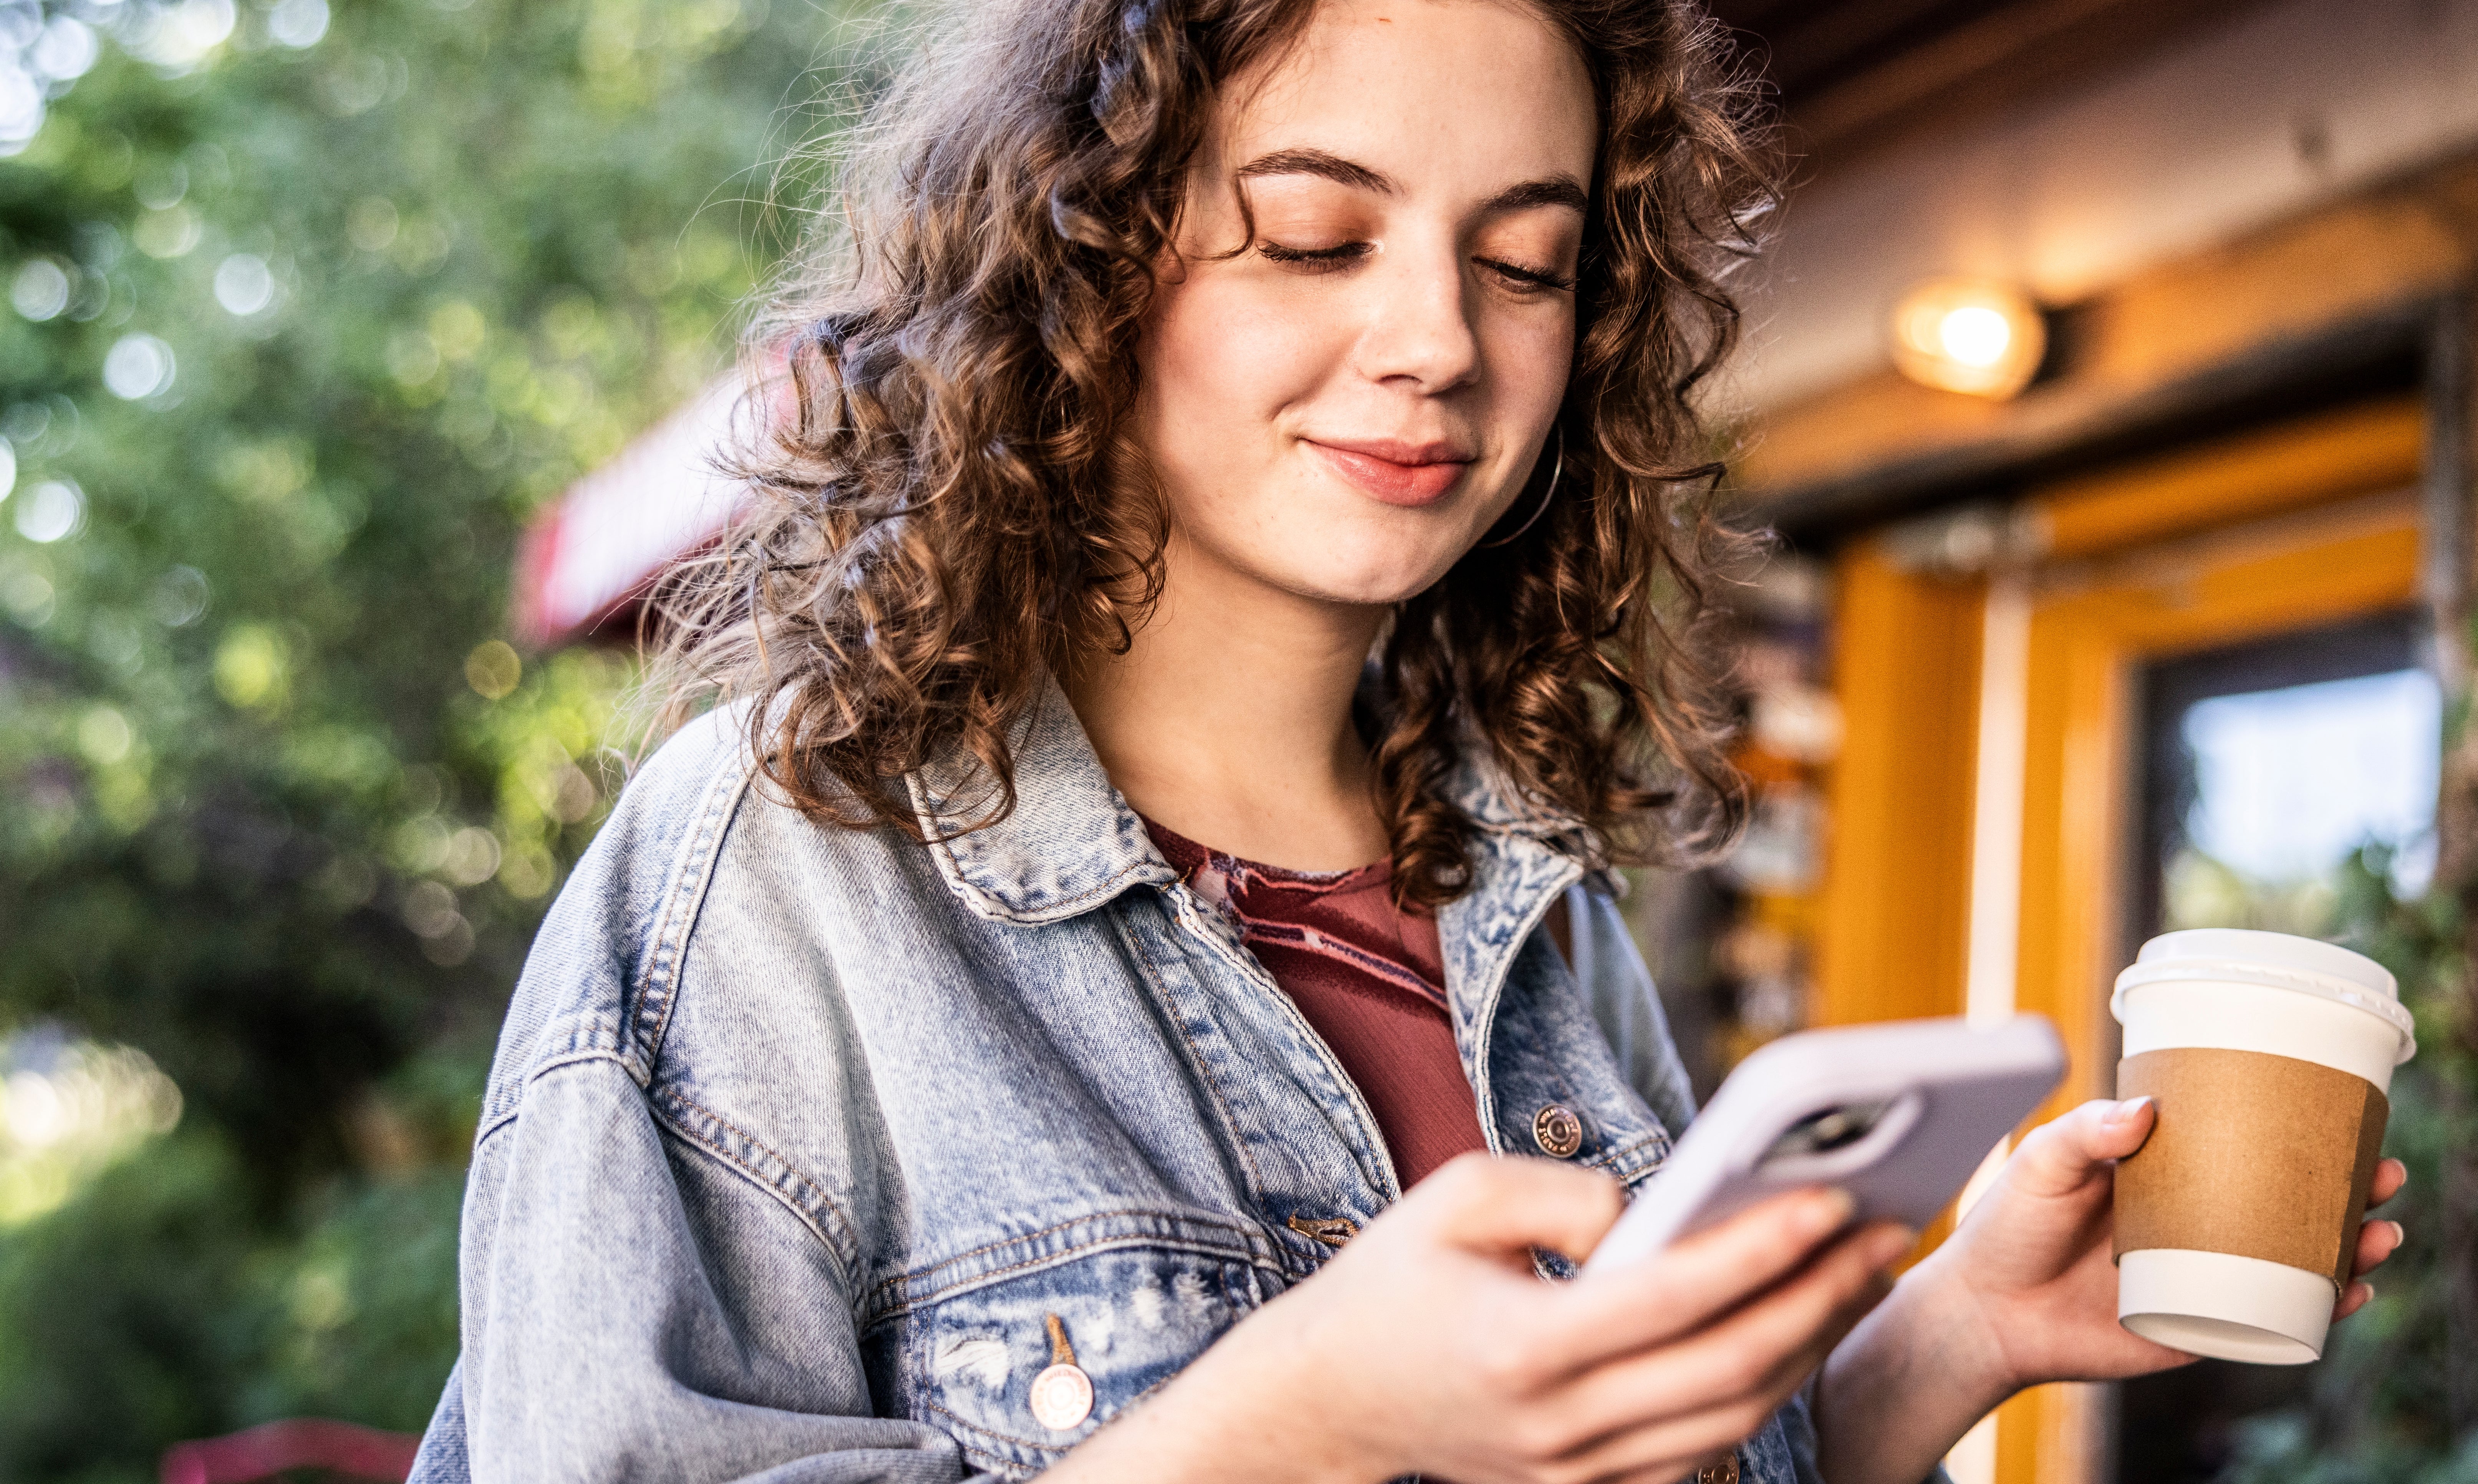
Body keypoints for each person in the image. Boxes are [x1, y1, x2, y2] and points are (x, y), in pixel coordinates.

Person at [408, 0, 2408, 1477]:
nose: (1440, 337)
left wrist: (1944, 1333)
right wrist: (1280, 1422)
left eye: (1525, 259)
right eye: (1310, 231)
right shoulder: (774, 866)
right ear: (1088, 259)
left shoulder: (1538, 915)